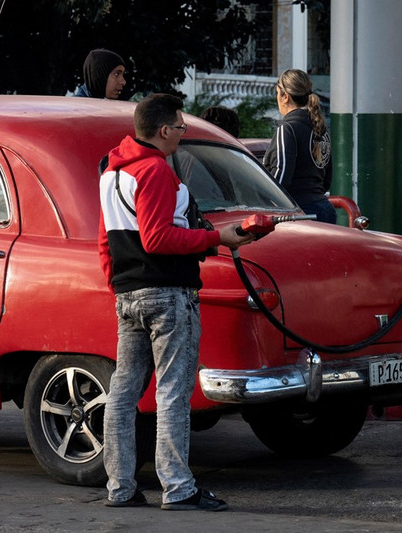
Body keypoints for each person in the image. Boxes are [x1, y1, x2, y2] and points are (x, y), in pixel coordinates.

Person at [98, 93, 253, 509]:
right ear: (164, 130)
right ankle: (179, 487)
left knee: (124, 391)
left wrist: (117, 284)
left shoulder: (111, 173)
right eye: (181, 128)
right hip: (167, 293)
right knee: (172, 392)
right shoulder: (155, 172)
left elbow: (105, 243)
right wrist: (216, 237)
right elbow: (158, 238)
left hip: (129, 294)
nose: (183, 135)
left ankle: (120, 486)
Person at [263, 68, 336, 224]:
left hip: (300, 213)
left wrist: (264, 203)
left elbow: (280, 176)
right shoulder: (320, 127)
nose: (276, 98)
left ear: (285, 97)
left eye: (277, 93)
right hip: (324, 208)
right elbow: (327, 176)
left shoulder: (287, 128)